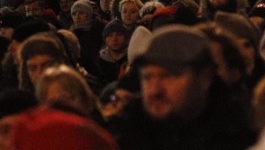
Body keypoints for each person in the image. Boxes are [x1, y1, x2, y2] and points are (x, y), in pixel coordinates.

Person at [110, 24, 256, 150]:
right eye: (148, 77)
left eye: (168, 77)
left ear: (205, 78)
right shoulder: (125, 129)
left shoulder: (241, 135)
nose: (155, 90)